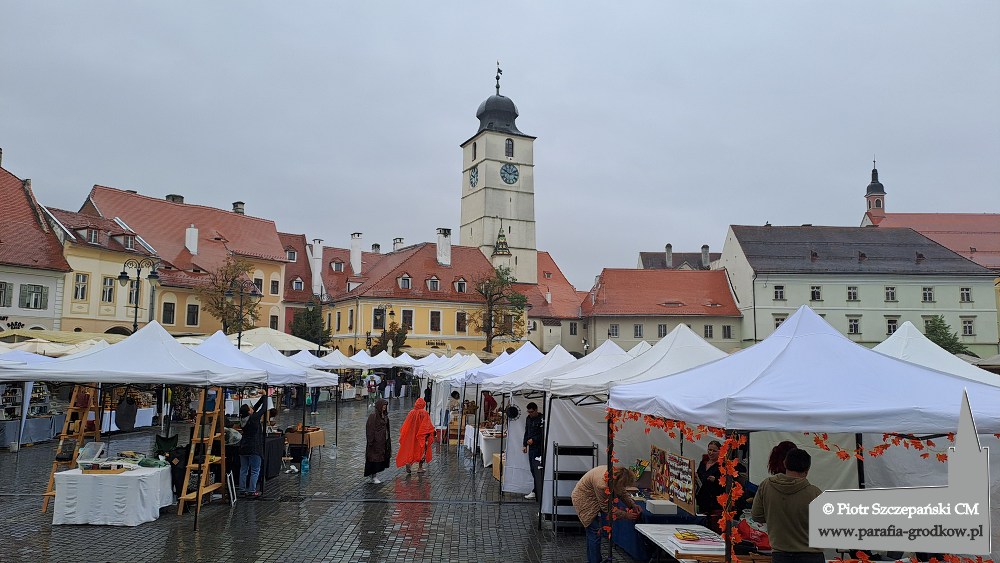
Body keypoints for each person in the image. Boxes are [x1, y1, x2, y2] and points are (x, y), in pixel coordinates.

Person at [751, 448, 823, 563]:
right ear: (807, 469)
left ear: (785, 463)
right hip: (811, 556)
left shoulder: (766, 486)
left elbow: (757, 516)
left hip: (780, 555)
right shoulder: (815, 494)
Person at [571, 465, 640, 563]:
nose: (625, 487)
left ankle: (593, 560)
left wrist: (632, 505)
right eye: (624, 485)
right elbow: (607, 508)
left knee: (593, 532)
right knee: (594, 532)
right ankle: (595, 561)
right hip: (583, 498)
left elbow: (622, 492)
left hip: (591, 494)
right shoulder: (602, 484)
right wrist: (626, 515)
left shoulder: (615, 474)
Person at [236, 395, 267, 498]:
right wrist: (265, 398)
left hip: (243, 446)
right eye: (250, 408)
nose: (252, 408)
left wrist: (263, 397)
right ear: (249, 412)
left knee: (243, 469)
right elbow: (263, 409)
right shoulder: (253, 418)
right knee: (255, 469)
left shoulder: (243, 418)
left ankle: (242, 489)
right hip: (254, 446)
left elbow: (256, 408)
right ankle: (252, 490)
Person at [396, 397, 435, 474]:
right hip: (421, 436)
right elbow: (427, 425)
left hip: (412, 435)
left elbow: (406, 424)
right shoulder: (424, 413)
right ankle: (420, 468)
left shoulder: (411, 412)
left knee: (412, 449)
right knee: (422, 451)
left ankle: (409, 463)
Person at [521, 401, 544, 500]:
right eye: (528, 412)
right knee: (532, 469)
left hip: (539, 447)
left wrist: (534, 440)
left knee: (537, 469)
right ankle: (536, 490)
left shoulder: (542, 419)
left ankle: (537, 490)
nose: (530, 414)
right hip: (531, 448)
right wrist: (524, 444)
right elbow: (527, 431)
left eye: (531, 412)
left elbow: (543, 434)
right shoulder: (528, 419)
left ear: (536, 410)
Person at [695, 440, 724, 517]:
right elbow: (699, 475)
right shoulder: (703, 463)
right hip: (700, 497)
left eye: (714, 451)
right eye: (710, 450)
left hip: (713, 500)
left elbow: (726, 484)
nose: (711, 453)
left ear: (719, 452)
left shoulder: (722, 465)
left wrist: (716, 480)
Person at [365, 398, 391, 484]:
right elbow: (370, 429)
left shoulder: (384, 415)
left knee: (379, 458)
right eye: (383, 405)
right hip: (375, 442)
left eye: (385, 405)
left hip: (382, 442)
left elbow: (387, 427)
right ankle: (373, 476)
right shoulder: (373, 416)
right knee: (373, 458)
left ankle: (374, 475)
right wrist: (371, 441)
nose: (384, 407)